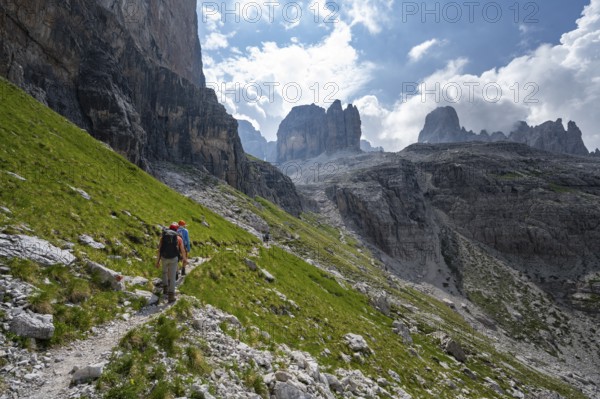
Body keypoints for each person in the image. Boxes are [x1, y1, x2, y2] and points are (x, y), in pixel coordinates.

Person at [155, 222, 188, 303]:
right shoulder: (178, 238)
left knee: (164, 272)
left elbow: (159, 250)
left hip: (164, 257)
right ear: (176, 229)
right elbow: (183, 250)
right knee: (172, 277)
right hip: (174, 259)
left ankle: (165, 289)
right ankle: (171, 296)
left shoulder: (163, 237)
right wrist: (185, 259)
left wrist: (157, 261)